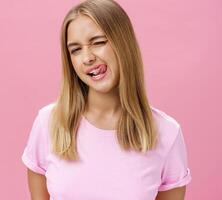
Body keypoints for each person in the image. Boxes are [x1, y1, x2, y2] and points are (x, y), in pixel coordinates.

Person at [21, 0, 192, 199]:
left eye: (98, 42)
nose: (87, 58)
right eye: (75, 49)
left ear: (123, 43)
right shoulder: (48, 122)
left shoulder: (166, 132)